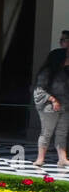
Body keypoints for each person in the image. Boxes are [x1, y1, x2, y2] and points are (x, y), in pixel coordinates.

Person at [32, 35, 69, 168]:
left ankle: (62, 159)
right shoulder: (47, 72)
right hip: (50, 107)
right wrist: (53, 100)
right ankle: (40, 159)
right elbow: (39, 90)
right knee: (47, 132)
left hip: (65, 106)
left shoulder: (65, 71)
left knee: (62, 133)